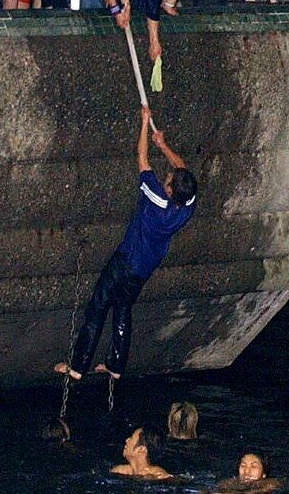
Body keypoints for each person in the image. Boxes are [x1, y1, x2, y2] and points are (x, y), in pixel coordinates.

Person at [55, 106, 198, 382]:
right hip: (145, 267)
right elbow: (181, 168)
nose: (168, 175)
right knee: (122, 308)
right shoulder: (187, 203)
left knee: (98, 306)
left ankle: (77, 366)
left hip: (126, 260)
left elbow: (142, 159)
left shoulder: (157, 198)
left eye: (168, 180)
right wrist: (163, 144)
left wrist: (144, 124)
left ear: (169, 190)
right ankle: (116, 366)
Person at [208, 453, 279, 494]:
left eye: (254, 466)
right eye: (243, 465)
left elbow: (259, 491)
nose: (247, 471)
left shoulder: (271, 483)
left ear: (264, 474)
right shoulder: (232, 482)